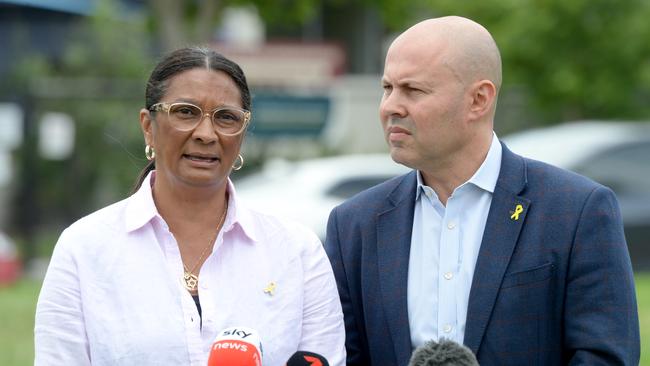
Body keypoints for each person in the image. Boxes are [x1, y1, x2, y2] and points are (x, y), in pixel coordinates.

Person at [324, 16, 640, 366]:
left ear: (479, 99)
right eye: (387, 88)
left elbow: (606, 356)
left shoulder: (576, 210)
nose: (390, 107)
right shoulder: (354, 225)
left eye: (413, 90)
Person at [35, 46, 345, 366]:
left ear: (243, 133)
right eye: (185, 112)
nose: (206, 134)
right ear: (148, 126)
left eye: (226, 117)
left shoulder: (296, 251)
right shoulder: (84, 248)